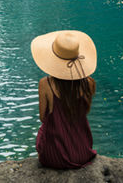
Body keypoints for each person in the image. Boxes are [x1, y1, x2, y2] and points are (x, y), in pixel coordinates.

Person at [30, 30, 98, 169]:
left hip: (53, 156)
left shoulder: (45, 84)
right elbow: (86, 111)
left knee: (42, 131)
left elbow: (43, 117)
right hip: (82, 152)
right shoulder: (89, 83)